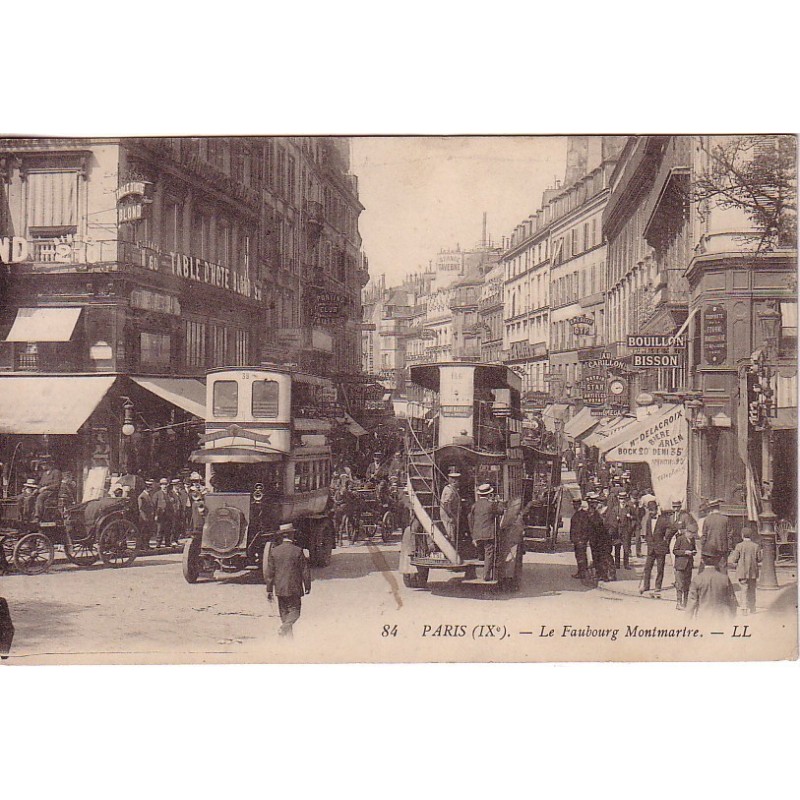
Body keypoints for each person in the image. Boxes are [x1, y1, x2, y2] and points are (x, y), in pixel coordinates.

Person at [265, 523, 312, 638]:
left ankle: (289, 640)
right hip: (294, 587)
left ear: (282, 536)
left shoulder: (274, 551)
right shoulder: (297, 551)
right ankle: (284, 628)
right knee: (295, 613)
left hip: (280, 588)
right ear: (292, 535)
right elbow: (305, 570)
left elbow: (269, 573)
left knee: (284, 615)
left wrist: (269, 590)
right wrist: (307, 586)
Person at [641, 502, 678, 595]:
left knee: (660, 568)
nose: (651, 513)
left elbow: (673, 528)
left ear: (656, 510)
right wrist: (648, 540)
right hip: (651, 548)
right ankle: (646, 585)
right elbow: (649, 532)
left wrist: (666, 537)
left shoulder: (663, 519)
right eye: (650, 511)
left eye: (653, 511)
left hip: (660, 547)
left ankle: (658, 586)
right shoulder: (649, 519)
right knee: (647, 568)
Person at [687, 553, 737, 620]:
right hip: (722, 617)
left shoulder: (697, 579)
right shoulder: (724, 578)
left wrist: (687, 619)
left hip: (703, 616)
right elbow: (732, 599)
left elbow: (692, 601)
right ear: (717, 561)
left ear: (702, 561)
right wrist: (732, 616)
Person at [469, 483, 502, 581]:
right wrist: (498, 502)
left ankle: (479, 565)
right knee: (489, 552)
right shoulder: (491, 504)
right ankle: (486, 575)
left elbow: (470, 517)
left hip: (477, 533)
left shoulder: (475, 505)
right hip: (488, 533)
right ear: (489, 494)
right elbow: (501, 511)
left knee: (481, 550)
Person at [729, 523, 762, 615]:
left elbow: (734, 559)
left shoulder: (739, 546)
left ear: (742, 535)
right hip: (753, 572)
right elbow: (759, 559)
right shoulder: (756, 546)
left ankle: (744, 609)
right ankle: (753, 608)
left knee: (743, 589)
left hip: (742, 572)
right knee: (752, 590)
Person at [587, 493, 613, 581]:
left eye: (598, 503)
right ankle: (599, 574)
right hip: (595, 539)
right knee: (596, 557)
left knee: (605, 557)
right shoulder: (595, 512)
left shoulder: (609, 512)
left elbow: (612, 526)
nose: (597, 505)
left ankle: (606, 575)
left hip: (604, 539)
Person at [672, 522, 697, 609]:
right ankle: (679, 603)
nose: (692, 535)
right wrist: (685, 552)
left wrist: (693, 552)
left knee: (687, 585)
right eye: (691, 533)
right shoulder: (680, 539)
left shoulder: (692, 540)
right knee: (680, 585)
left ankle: (686, 603)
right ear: (687, 532)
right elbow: (675, 551)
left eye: (693, 534)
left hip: (689, 565)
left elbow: (694, 549)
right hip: (680, 565)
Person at [699, 498, 729, 571]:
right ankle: (723, 582)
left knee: (708, 567)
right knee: (723, 567)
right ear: (719, 508)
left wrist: (702, 547)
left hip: (709, 548)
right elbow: (729, 535)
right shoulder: (725, 519)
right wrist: (729, 548)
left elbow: (704, 535)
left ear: (711, 509)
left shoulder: (707, 519)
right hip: (722, 548)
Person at [569, 496, 592, 580]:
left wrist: (583, 539)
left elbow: (585, 528)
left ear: (577, 505)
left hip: (580, 540)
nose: (574, 507)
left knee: (581, 556)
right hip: (577, 539)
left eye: (575, 505)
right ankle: (580, 572)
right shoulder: (578, 514)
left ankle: (583, 573)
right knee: (579, 556)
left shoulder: (582, 514)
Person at [34, 456, 62, 522]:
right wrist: (37, 489)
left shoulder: (56, 472)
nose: (42, 466)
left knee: (40, 497)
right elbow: (40, 484)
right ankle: (27, 516)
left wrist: (46, 488)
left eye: (44, 465)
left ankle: (37, 516)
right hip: (43, 491)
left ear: (49, 464)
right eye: (42, 465)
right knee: (29, 497)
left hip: (51, 492)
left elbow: (57, 485)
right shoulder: (44, 474)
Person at [439, 468, 461, 542]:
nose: (459, 482)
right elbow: (446, 503)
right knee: (450, 533)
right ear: (454, 481)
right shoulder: (449, 490)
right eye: (457, 480)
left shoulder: (453, 489)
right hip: (448, 516)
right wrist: (451, 515)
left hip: (451, 514)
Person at [137, 478, 157, 550]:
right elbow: (141, 508)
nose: (151, 489)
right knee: (144, 532)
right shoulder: (142, 496)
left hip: (149, 517)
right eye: (150, 488)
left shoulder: (148, 495)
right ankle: (143, 546)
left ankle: (146, 545)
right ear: (147, 488)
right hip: (144, 518)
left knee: (148, 532)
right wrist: (145, 518)